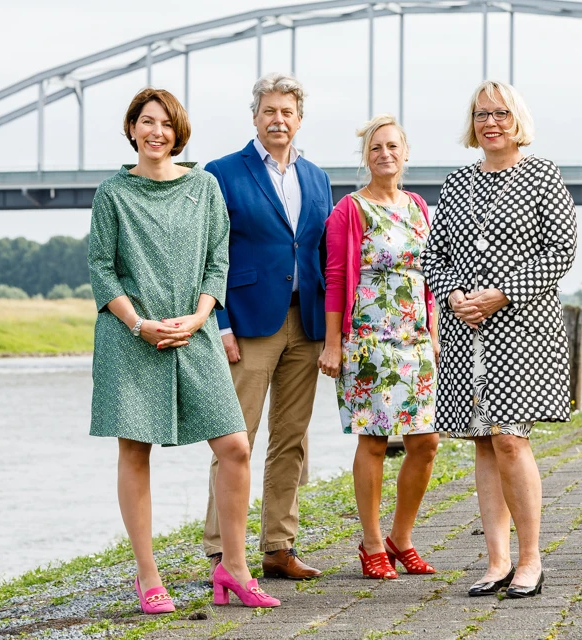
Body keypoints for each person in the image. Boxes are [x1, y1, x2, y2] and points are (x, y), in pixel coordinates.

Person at [88, 88, 279, 611]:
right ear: (131, 129)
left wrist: (199, 318)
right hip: (132, 336)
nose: (156, 132)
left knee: (235, 445)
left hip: (193, 331)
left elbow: (218, 259)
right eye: (146, 122)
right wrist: (139, 324)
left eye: (165, 124)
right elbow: (101, 268)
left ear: (178, 132)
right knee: (135, 451)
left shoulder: (205, 185)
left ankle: (234, 570)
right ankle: (148, 576)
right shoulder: (112, 193)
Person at [422, 80, 576, 598]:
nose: (491, 122)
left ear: (518, 120)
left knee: (511, 439)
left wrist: (501, 294)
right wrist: (454, 298)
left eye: (500, 113)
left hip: (523, 330)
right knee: (483, 442)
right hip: (469, 333)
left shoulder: (542, 175)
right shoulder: (456, 183)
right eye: (481, 114)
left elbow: (560, 254)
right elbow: (433, 256)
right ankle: (496, 560)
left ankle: (531, 560)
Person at [202, 72, 332, 580]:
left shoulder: (317, 177)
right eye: (270, 111)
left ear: (299, 119)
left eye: (288, 112)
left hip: (307, 321)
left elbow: (318, 249)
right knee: (235, 438)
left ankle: (278, 546)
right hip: (249, 321)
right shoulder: (221, 173)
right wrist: (221, 323)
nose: (279, 120)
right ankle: (220, 551)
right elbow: (207, 254)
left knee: (293, 438)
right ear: (255, 116)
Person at [318, 114, 440, 580]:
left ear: (405, 153)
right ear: (366, 158)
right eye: (375, 148)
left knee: (426, 441)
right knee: (372, 441)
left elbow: (427, 275)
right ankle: (370, 543)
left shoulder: (418, 207)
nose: (384, 154)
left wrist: (432, 329)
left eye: (392, 146)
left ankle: (400, 538)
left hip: (413, 338)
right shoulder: (349, 210)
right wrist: (334, 344)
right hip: (368, 339)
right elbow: (334, 278)